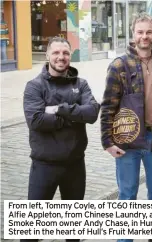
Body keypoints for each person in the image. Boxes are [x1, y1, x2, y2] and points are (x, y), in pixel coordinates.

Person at [100, 12, 152, 242]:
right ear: (133, 35)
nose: (145, 36)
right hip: (127, 142)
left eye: (149, 32)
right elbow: (108, 107)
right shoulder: (119, 66)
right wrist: (107, 142)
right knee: (127, 196)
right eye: (140, 32)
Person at [22, 37, 100, 242]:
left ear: (70, 56)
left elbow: (92, 113)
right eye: (56, 53)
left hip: (75, 165)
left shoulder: (81, 84)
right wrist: (74, 117)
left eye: (65, 53)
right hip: (44, 166)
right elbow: (36, 121)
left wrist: (61, 110)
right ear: (48, 55)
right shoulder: (34, 86)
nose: (61, 57)